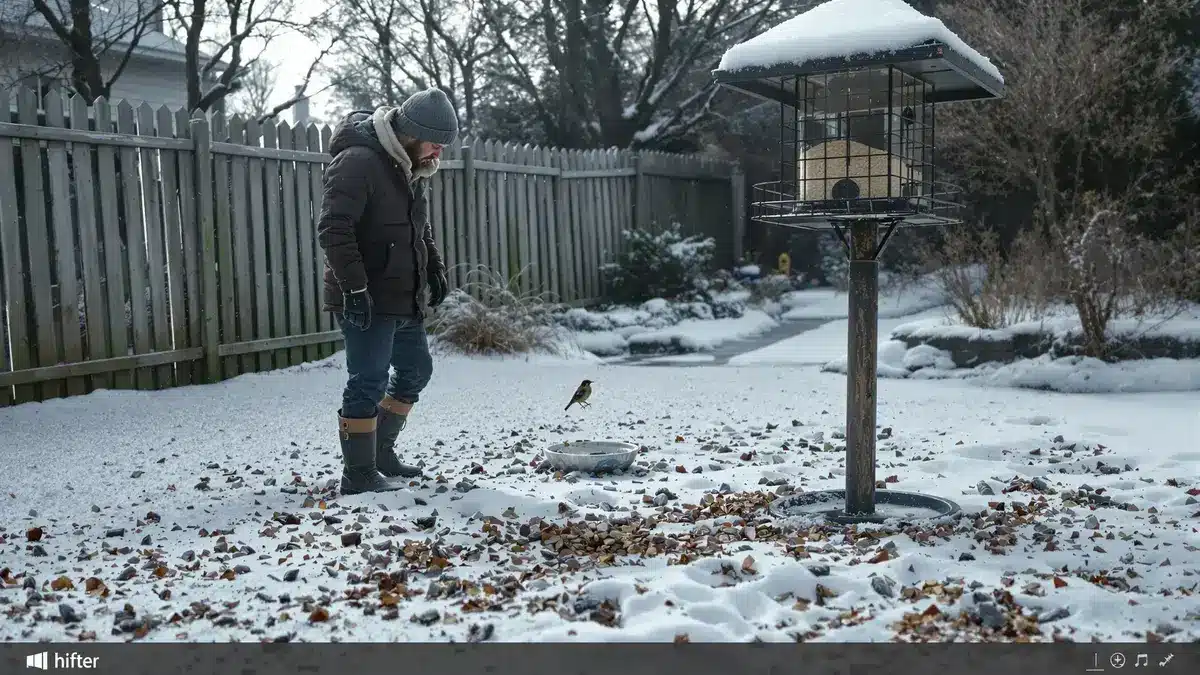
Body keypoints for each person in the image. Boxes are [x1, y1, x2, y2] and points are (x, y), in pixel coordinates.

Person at [316, 88, 458, 495]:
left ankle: (380, 454)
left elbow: (417, 229)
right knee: (368, 379)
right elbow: (334, 228)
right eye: (434, 144)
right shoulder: (358, 161)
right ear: (412, 132)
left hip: (402, 293)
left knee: (416, 370)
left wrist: (433, 268)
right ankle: (357, 474)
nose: (438, 153)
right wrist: (355, 289)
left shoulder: (409, 165)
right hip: (366, 295)